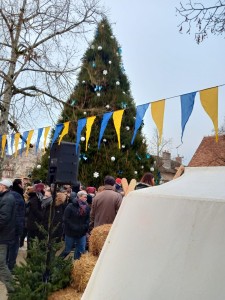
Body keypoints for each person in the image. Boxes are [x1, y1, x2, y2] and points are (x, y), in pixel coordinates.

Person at [60, 191, 90, 260]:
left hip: (82, 233)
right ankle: (57, 263)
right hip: (71, 232)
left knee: (81, 250)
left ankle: (76, 265)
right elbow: (65, 218)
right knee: (67, 250)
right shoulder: (70, 206)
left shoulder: (87, 207)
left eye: (86, 197)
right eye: (84, 197)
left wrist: (85, 226)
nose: (86, 198)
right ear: (79, 197)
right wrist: (73, 226)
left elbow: (88, 218)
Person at [0, 179, 16, 293]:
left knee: (1, 264)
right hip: (3, 235)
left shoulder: (8, 199)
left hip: (3, 236)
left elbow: (3, 219)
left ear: (4, 186)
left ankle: (12, 289)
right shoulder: (5, 197)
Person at [7, 179, 25, 271]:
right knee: (13, 248)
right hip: (14, 227)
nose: (24, 185)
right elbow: (17, 214)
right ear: (19, 185)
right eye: (23, 184)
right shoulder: (17, 196)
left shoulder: (9, 194)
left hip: (9, 227)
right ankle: (10, 266)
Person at [26, 183, 45, 249]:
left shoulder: (39, 197)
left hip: (35, 221)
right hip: (33, 222)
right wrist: (42, 217)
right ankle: (30, 255)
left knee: (33, 239)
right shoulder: (35, 198)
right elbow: (35, 210)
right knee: (31, 239)